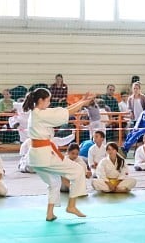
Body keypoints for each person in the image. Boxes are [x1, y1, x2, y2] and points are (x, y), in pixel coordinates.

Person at [23, 87, 93, 220]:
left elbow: (64, 111)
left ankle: (49, 214)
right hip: (45, 155)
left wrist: (82, 101)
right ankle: (71, 206)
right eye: (48, 100)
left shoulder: (37, 112)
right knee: (78, 170)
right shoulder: (40, 114)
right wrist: (83, 103)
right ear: (41, 100)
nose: (49, 103)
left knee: (54, 182)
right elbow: (66, 113)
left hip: (35, 158)